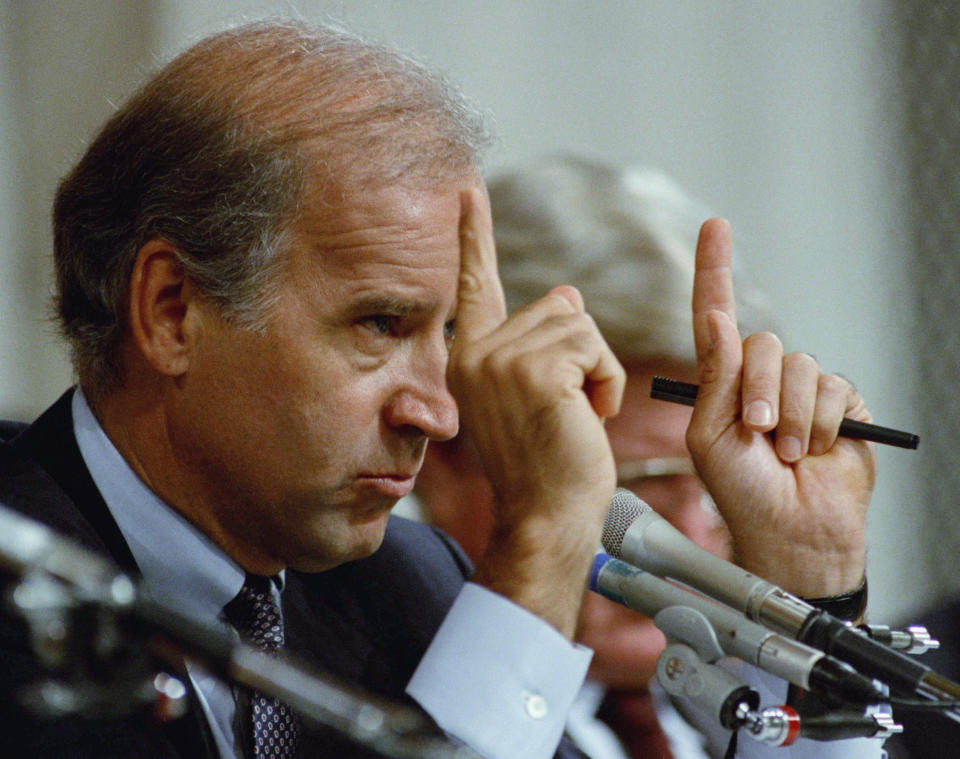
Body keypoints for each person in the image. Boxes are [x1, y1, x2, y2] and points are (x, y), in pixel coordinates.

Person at [0, 18, 881, 759]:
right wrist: (543, 541)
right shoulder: (22, 590)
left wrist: (812, 584)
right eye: (380, 326)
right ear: (171, 310)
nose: (440, 410)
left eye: (449, 335)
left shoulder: (408, 585)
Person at [403, 155, 880, 758]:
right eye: (639, 493)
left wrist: (813, 575)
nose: (694, 543)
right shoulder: (328, 676)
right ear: (445, 462)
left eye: (718, 498)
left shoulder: (744, 706)